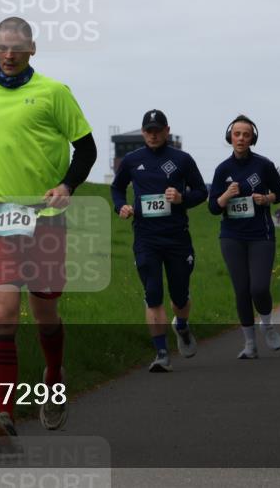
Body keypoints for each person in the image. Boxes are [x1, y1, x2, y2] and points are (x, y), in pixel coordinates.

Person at [0, 17, 97, 448]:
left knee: (44, 312)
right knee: (4, 311)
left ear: (33, 49)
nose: (8, 55)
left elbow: (86, 147)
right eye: (1, 47)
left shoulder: (54, 93)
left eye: (16, 48)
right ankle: (5, 413)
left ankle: (53, 377)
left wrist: (67, 185)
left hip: (45, 217)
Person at [111, 109, 208, 372]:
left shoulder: (182, 160)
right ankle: (162, 353)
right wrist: (120, 206)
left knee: (179, 298)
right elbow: (117, 188)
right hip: (145, 237)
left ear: (166, 131)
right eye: (148, 131)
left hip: (177, 237)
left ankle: (182, 326)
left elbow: (201, 192)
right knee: (153, 294)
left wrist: (181, 198)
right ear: (143, 133)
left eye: (157, 131)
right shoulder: (132, 160)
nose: (153, 136)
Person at [208, 115, 280, 359]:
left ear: (252, 138)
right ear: (230, 137)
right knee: (241, 289)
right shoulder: (223, 169)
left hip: (260, 234)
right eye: (237, 134)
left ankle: (267, 324)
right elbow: (213, 207)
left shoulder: (263, 165)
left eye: (246, 134)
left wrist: (267, 199)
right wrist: (225, 196)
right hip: (232, 236)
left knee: (259, 287)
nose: (241, 138)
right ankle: (250, 344)